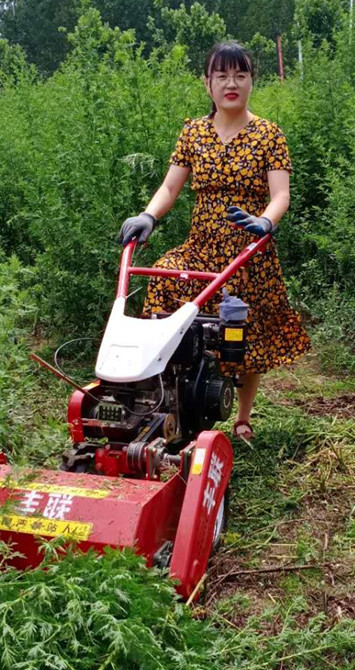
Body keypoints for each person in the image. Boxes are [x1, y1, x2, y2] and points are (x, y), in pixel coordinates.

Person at [117, 41, 310, 443]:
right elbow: (170, 187)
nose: (231, 83)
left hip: (246, 253)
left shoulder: (268, 134)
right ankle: (167, 398)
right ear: (207, 83)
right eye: (221, 75)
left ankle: (242, 416)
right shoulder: (194, 132)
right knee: (165, 280)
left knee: (245, 332)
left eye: (240, 74)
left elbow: (281, 195)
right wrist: (149, 215)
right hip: (200, 248)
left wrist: (264, 221)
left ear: (252, 81)